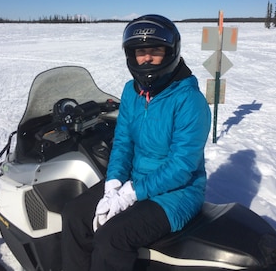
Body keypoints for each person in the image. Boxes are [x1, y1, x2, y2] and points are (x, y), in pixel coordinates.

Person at [61, 14, 211, 271]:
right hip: (133, 179)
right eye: (141, 51)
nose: (147, 58)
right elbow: (123, 142)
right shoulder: (132, 91)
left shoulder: (190, 101)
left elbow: (182, 166)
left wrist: (132, 193)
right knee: (74, 214)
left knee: (112, 238)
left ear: (171, 52)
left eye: (155, 50)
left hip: (176, 194)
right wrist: (113, 185)